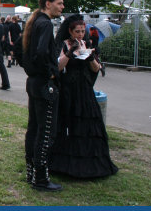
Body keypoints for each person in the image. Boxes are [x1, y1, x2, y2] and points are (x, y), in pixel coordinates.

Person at [49, 14, 118, 179]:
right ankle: (65, 163)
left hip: (84, 90)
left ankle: (88, 162)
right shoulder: (63, 45)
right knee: (68, 124)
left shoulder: (88, 44)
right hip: (68, 90)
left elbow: (96, 69)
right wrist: (70, 53)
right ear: (70, 32)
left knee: (88, 124)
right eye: (77, 31)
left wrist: (90, 57)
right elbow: (57, 68)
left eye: (82, 31)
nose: (80, 34)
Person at [22, 0, 64, 192]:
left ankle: (31, 173)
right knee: (46, 132)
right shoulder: (45, 23)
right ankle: (40, 179)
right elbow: (40, 53)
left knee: (34, 129)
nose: (62, 7)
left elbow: (21, 53)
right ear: (48, 4)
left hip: (34, 82)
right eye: (59, 3)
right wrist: (51, 74)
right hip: (43, 84)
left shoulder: (34, 22)